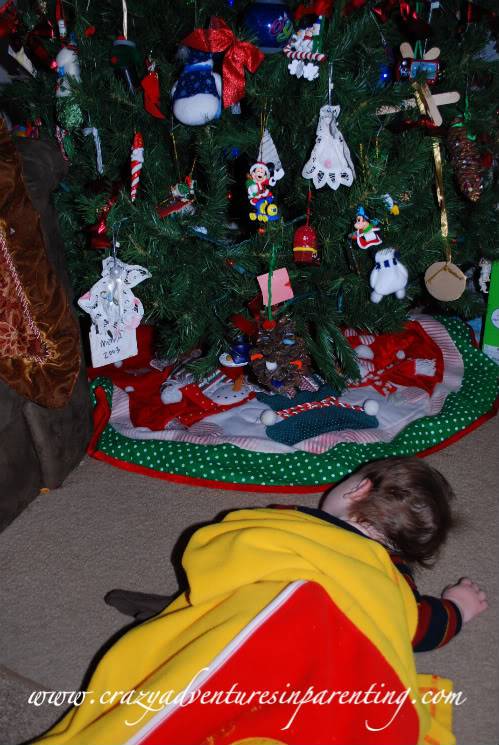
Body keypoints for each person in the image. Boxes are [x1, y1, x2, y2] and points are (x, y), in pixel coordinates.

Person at [106, 457, 488, 651]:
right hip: (293, 655)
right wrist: (458, 608)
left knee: (226, 605)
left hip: (245, 620)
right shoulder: (392, 580)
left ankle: (181, 616)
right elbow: (418, 629)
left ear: (358, 491)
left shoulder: (286, 520)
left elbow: (217, 542)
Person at [300, 456, 488, 651]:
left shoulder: (298, 518)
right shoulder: (390, 572)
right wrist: (458, 607)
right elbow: (416, 625)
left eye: (349, 476)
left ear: (358, 490)